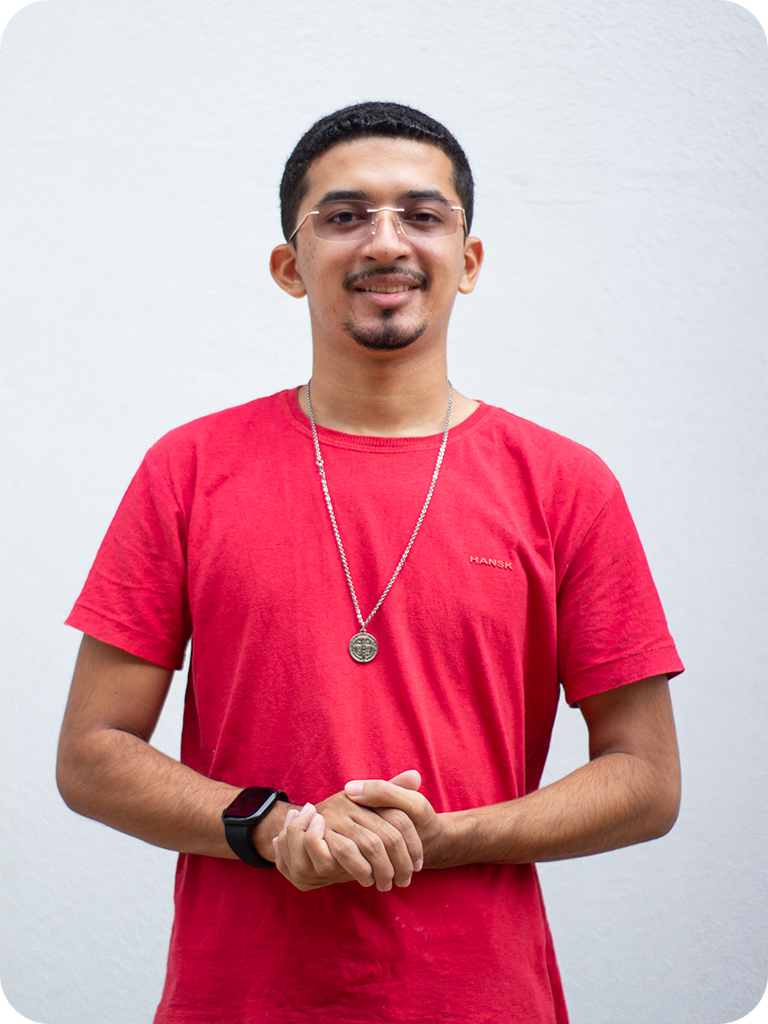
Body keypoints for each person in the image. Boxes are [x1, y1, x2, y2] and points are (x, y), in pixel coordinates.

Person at [57, 101, 684, 1024]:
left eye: (422, 215)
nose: (386, 242)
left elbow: (647, 779)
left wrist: (445, 837)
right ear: (291, 264)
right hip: (240, 1001)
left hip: (481, 999)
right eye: (345, 215)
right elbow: (90, 754)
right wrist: (274, 827)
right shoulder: (188, 470)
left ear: (469, 260)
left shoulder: (565, 484)